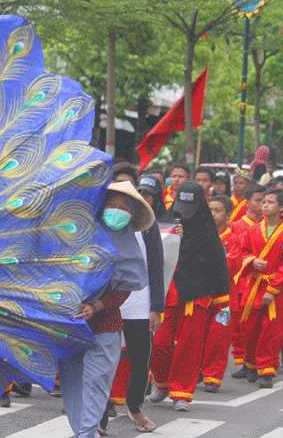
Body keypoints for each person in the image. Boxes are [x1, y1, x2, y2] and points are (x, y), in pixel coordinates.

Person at [59, 181, 153, 438]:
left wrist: (97, 305)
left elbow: (124, 289)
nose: (117, 210)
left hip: (106, 324)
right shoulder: (76, 235)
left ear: (132, 214)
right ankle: (81, 431)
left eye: (124, 207)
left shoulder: (131, 248)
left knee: (97, 384)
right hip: (70, 322)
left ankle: (88, 433)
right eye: (112, 204)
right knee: (73, 384)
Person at [149, 181, 230, 411]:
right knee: (159, 342)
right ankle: (162, 383)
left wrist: (221, 299)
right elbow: (155, 255)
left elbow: (217, 264)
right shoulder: (166, 223)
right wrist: (172, 236)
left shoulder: (207, 231)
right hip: (168, 292)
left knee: (189, 346)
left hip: (197, 295)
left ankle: (181, 392)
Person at [106, 175, 165, 433]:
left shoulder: (148, 228)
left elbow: (156, 266)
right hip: (105, 302)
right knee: (104, 357)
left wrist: (157, 306)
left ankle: (135, 406)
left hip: (139, 301)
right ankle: (99, 413)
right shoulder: (99, 224)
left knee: (141, 358)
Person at [233, 189, 283, 388]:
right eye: (263, 201)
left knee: (271, 330)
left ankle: (267, 370)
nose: (265, 205)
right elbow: (241, 251)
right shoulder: (253, 230)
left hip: (276, 291)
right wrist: (252, 261)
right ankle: (250, 364)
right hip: (254, 285)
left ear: (282, 208)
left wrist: (272, 291)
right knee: (250, 326)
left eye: (270, 202)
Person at [228, 185, 267, 377]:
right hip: (243, 280)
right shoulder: (237, 225)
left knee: (261, 325)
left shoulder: (272, 226)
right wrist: (251, 261)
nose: (261, 204)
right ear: (248, 202)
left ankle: (259, 363)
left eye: (265, 201)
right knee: (243, 324)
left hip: (264, 282)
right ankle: (245, 362)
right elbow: (236, 254)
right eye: (258, 200)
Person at [201, 195, 235, 392]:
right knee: (199, 334)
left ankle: (213, 376)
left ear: (228, 215)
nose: (212, 214)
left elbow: (234, 261)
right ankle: (197, 370)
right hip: (203, 294)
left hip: (225, 299)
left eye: (217, 210)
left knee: (219, 336)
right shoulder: (202, 236)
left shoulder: (234, 238)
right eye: (210, 210)